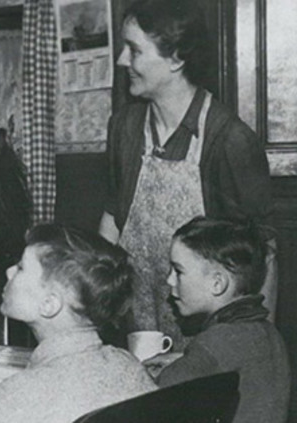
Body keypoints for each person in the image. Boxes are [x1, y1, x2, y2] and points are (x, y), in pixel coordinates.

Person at [99, 0, 274, 348]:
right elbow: (112, 222)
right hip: (135, 329)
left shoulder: (230, 140)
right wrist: (97, 310)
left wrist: (258, 350)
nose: (122, 61)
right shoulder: (124, 128)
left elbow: (264, 255)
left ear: (176, 58)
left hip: (209, 343)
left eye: (133, 50)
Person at [0, 224, 156, 423]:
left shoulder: (25, 392)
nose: (8, 271)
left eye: (21, 267)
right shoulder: (128, 365)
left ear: (49, 304)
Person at [145, 216, 290, 422]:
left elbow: (154, 400)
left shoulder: (215, 342)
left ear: (217, 283)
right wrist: (183, 360)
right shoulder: (269, 333)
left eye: (178, 271)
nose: (169, 280)